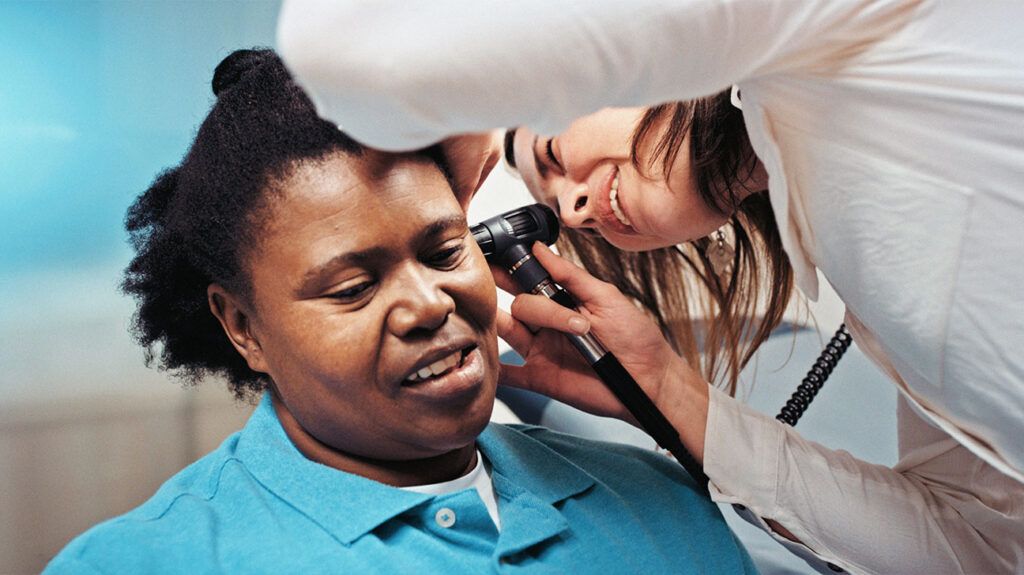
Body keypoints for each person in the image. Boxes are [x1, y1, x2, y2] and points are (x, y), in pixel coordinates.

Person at [275, 1, 1024, 573]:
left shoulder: (835, 25)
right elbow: (982, 547)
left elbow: (344, 46)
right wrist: (672, 392)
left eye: (551, 150)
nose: (569, 207)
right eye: (559, 197)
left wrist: (474, 140)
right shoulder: (858, 258)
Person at [43, 49, 758, 574]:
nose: (426, 303)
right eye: (353, 288)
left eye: (446, 251)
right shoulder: (142, 561)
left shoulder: (657, 504)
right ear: (243, 327)